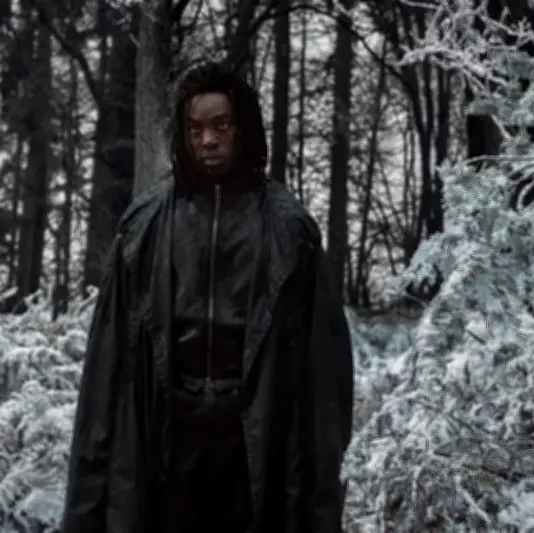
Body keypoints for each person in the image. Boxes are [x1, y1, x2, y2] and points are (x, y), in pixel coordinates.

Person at [60, 61, 354, 533]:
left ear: (243, 129)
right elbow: (106, 371)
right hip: (166, 443)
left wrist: (321, 502)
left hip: (256, 444)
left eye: (221, 126)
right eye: (195, 129)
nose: (208, 141)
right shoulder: (144, 227)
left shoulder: (290, 230)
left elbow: (323, 374)